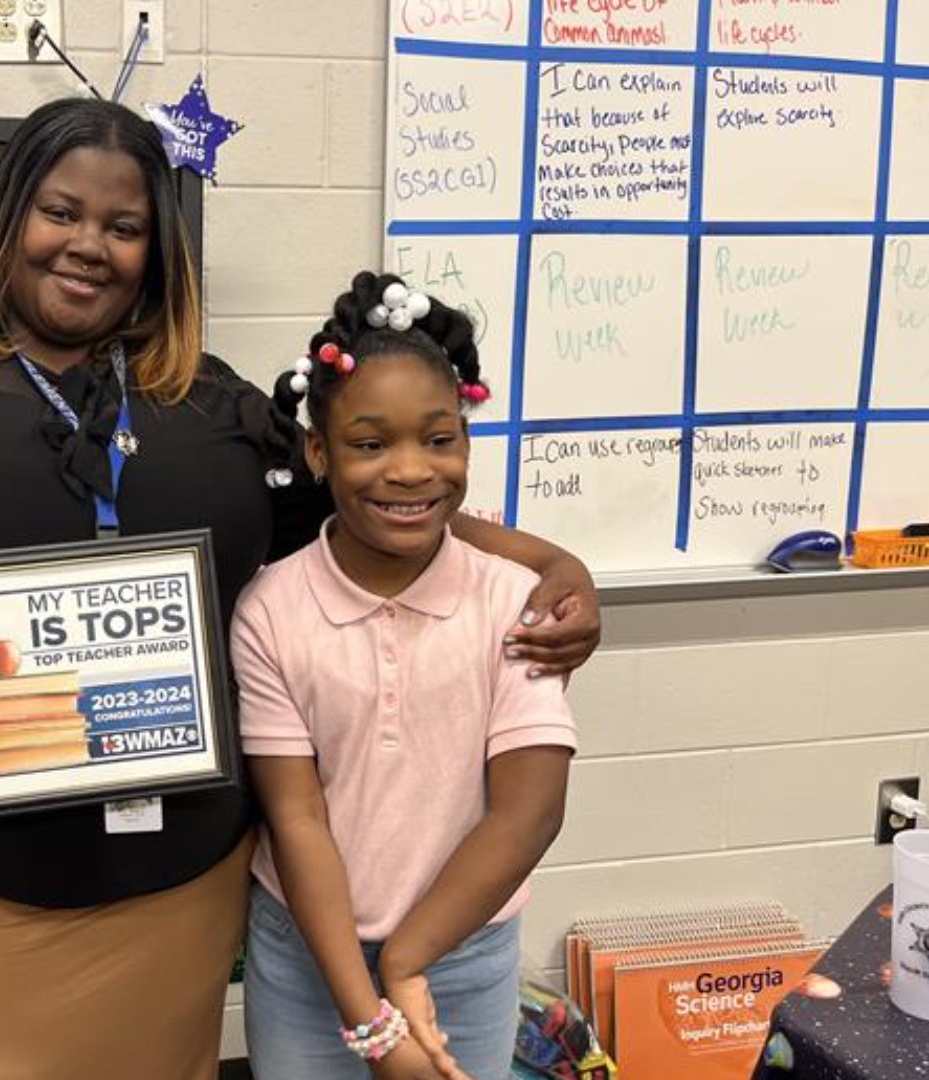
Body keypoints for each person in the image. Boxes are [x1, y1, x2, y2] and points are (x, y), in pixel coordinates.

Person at [0, 100, 595, 1080]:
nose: (89, 245)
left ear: (158, 252)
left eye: (124, 227)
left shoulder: (215, 405)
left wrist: (552, 567)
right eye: (61, 212)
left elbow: (379, 499)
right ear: (7, 216)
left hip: (170, 890)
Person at [233, 271, 578, 1080]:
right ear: (318, 451)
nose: (411, 470)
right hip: (308, 955)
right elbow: (298, 820)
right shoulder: (272, 610)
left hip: (463, 951)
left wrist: (409, 962)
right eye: (369, 443)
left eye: (439, 438)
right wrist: (370, 1020)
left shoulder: (511, 601)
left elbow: (528, 812)